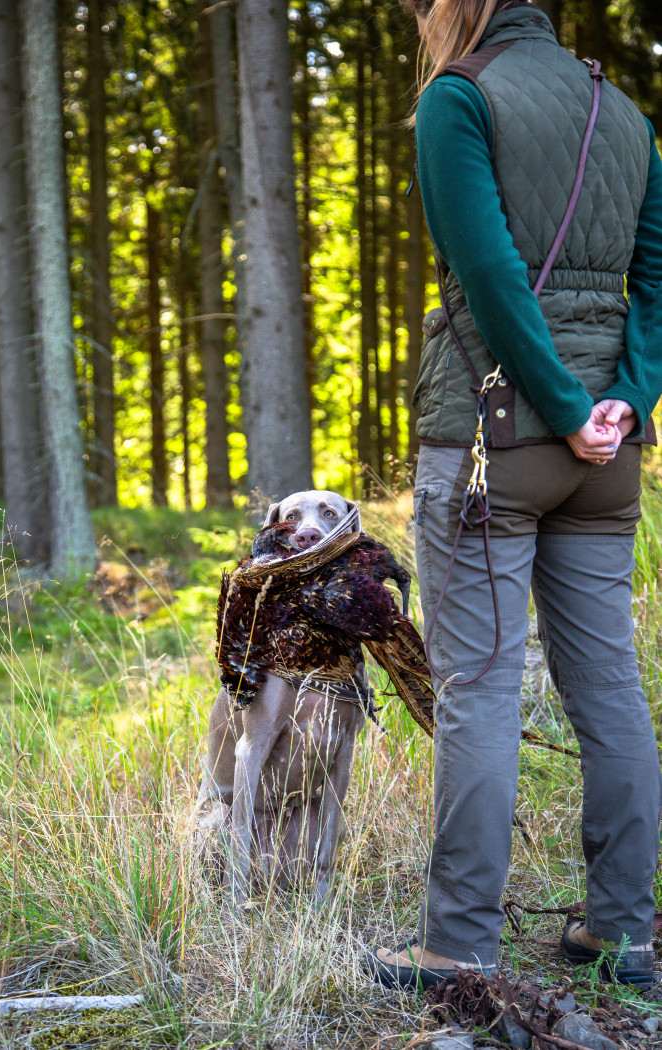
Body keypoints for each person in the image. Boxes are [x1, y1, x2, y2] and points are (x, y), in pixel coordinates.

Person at [367, 0, 661, 990]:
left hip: (490, 444)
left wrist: (564, 405)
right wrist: (624, 401)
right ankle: (621, 936)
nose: (419, 20)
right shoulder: (621, 111)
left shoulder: (458, 99)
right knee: (609, 691)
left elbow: (489, 273)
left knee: (479, 692)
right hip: (604, 457)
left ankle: (455, 946)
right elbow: (656, 280)